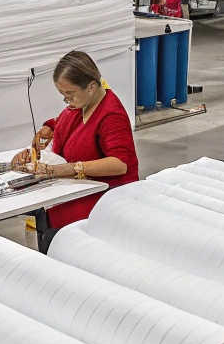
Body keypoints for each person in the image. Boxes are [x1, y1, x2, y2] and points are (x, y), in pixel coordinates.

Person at [11, 50, 139, 246]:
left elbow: (120, 164)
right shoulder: (80, 106)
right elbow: (69, 123)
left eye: (69, 93)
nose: (66, 100)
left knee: (57, 233)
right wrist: (50, 128)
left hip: (105, 200)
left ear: (91, 86)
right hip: (77, 193)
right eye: (62, 94)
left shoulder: (111, 116)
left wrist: (68, 169)